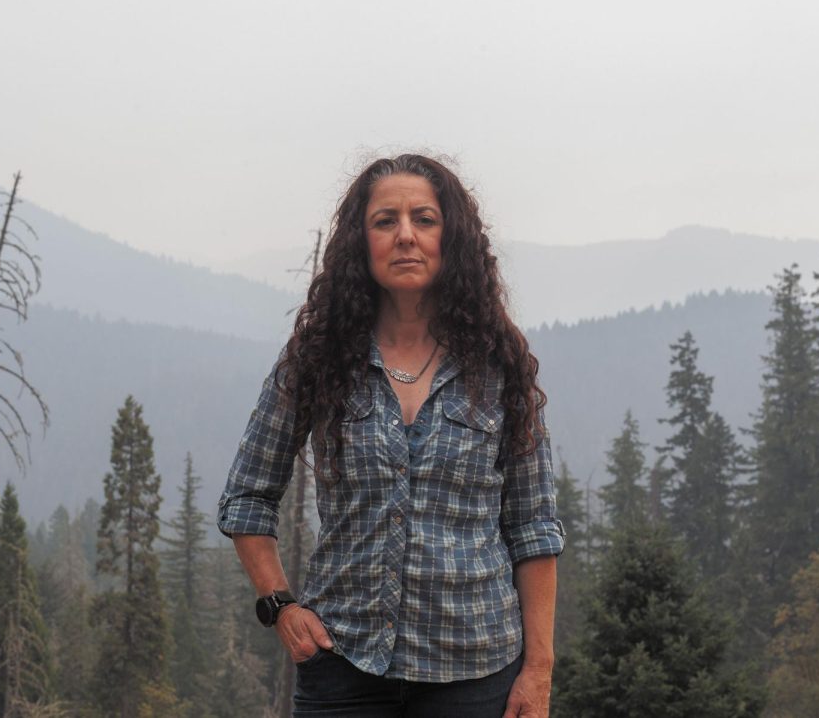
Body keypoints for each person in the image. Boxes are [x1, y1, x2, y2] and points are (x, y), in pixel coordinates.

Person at [217, 154, 564, 717]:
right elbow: (246, 497)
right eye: (386, 221)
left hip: (477, 675)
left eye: (424, 219)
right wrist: (279, 605)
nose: (406, 235)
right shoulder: (317, 357)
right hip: (342, 669)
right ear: (362, 241)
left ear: (452, 237)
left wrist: (539, 669)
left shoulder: (499, 363)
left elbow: (533, 525)